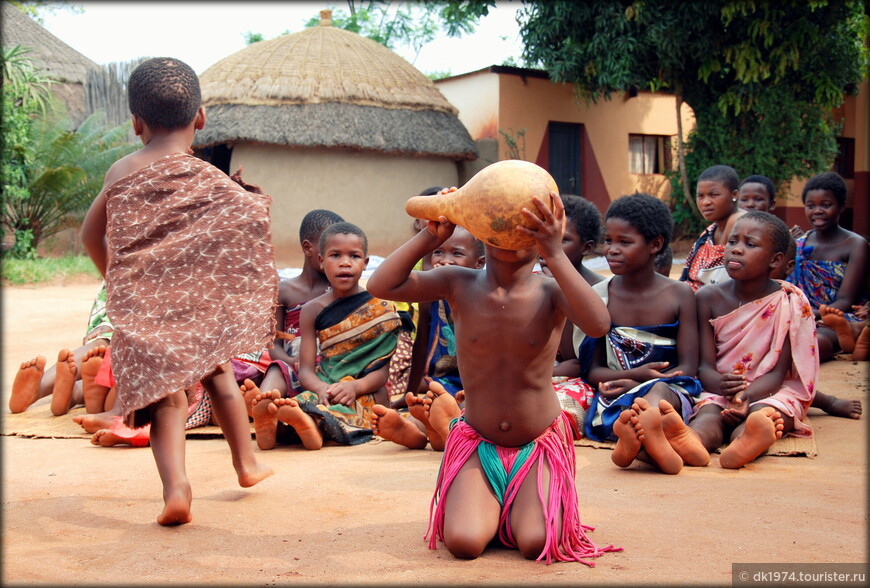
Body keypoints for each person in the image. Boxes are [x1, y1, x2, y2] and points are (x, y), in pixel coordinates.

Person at [366, 189, 619, 564]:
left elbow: (598, 324)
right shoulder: (458, 282)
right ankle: (499, 503)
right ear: (482, 231)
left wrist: (554, 252)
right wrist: (431, 236)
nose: (511, 235)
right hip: (477, 443)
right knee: (465, 543)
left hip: (538, 444)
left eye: (527, 228)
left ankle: (517, 504)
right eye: (499, 223)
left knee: (536, 542)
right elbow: (379, 285)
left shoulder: (551, 289)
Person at [80, 57, 275, 525]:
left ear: (136, 123)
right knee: (220, 375)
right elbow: (248, 222)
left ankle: (177, 490)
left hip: (142, 309)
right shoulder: (209, 178)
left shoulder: (120, 171)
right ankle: (246, 464)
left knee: (167, 399)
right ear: (200, 118)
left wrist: (116, 280)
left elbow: (90, 235)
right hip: (197, 307)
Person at [249, 222, 407, 450]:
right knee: (298, 404)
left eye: (354, 256)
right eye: (335, 255)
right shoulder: (311, 310)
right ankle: (287, 425)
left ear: (366, 263)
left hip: (364, 389)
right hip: (326, 387)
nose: (345, 262)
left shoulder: (380, 308)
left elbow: (381, 373)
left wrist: (355, 387)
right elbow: (305, 370)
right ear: (322, 262)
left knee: (353, 407)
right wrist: (321, 389)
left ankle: (309, 429)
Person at [578, 193, 704, 475]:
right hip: (618, 395)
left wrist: (650, 381)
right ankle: (649, 443)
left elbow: (688, 367)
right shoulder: (600, 297)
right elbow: (593, 371)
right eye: (608, 241)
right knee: (632, 408)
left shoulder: (679, 294)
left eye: (625, 242)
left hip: (670, 390)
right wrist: (635, 378)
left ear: (655, 244)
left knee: (657, 393)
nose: (611, 250)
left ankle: (640, 442)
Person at [688, 211, 819, 468]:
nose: (736, 250)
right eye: (733, 242)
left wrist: (746, 397)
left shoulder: (790, 300)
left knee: (768, 414)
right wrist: (722, 387)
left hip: (769, 390)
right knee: (707, 414)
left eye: (750, 244)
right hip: (720, 387)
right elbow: (704, 365)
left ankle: (745, 441)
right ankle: (691, 442)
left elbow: (778, 374)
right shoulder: (707, 298)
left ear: (776, 260)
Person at [369, 225, 484, 450]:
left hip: (482, 386)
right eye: (438, 252)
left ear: (479, 263)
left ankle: (440, 430)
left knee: (470, 410)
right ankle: (418, 430)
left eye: (457, 253)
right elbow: (421, 343)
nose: (444, 260)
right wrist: (409, 392)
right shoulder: (432, 294)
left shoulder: (486, 295)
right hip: (444, 382)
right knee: (429, 403)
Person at [238, 209, 345, 413]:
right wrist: (291, 362)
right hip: (293, 366)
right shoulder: (285, 291)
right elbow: (273, 343)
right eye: (334, 252)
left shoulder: (340, 291)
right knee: (278, 369)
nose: (341, 260)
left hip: (329, 367)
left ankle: (290, 410)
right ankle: (263, 406)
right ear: (308, 248)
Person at [786, 172, 869, 361]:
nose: (817, 211)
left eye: (826, 205)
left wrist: (809, 316)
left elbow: (846, 299)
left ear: (841, 206)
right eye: (811, 205)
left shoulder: (855, 244)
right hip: (796, 315)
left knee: (814, 342)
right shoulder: (799, 244)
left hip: (837, 318)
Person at [539, 195, 604, 431]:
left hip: (578, 381)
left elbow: (577, 361)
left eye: (561, 240)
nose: (546, 246)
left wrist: (558, 293)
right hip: (536, 376)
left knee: (555, 415)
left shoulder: (599, 291)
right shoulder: (533, 282)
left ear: (586, 247)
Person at [10, 283, 113, 416]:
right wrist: (110, 322)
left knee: (102, 348)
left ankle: (67, 391)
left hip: (126, 302)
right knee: (107, 347)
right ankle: (70, 392)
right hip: (131, 307)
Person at [680, 165, 747, 291]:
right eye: (700, 196)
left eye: (714, 195)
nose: (706, 202)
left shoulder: (738, 221)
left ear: (734, 194)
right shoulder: (711, 230)